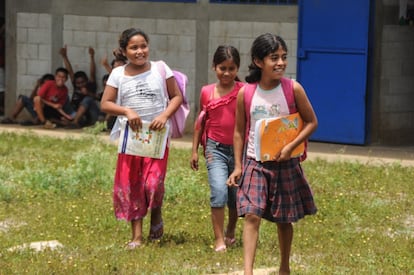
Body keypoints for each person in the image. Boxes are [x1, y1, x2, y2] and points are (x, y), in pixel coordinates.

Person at [226, 33, 318, 275]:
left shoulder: (293, 88)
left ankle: (284, 267)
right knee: (251, 215)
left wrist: (290, 147)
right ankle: (248, 271)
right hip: (255, 162)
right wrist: (238, 166)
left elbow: (311, 122)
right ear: (258, 61)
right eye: (273, 57)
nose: (280, 63)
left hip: (285, 164)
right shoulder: (245, 93)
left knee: (284, 219)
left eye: (284, 57)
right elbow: (238, 132)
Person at [100, 28, 183, 249]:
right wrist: (126, 111)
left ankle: (156, 213)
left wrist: (164, 115)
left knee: (153, 184)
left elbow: (177, 97)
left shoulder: (160, 68)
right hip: (131, 140)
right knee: (134, 185)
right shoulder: (118, 74)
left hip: (157, 139)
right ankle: (137, 236)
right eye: (134, 47)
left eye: (143, 46)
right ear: (125, 51)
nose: (140, 51)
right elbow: (105, 103)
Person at [190, 45, 244, 252]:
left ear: (237, 69)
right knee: (219, 192)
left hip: (239, 151)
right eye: (222, 68)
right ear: (214, 67)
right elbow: (200, 122)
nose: (227, 73)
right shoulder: (206, 92)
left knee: (235, 196)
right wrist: (195, 150)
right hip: (215, 149)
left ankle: (231, 230)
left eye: (231, 68)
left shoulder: (243, 91)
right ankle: (219, 239)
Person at [59, 45, 100, 128]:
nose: (80, 85)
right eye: (78, 83)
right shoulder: (76, 86)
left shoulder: (90, 85)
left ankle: (75, 122)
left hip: (90, 114)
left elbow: (92, 73)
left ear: (86, 81)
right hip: (76, 113)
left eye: (82, 82)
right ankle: (73, 121)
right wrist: (64, 56)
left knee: (87, 99)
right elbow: (70, 71)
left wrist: (92, 56)